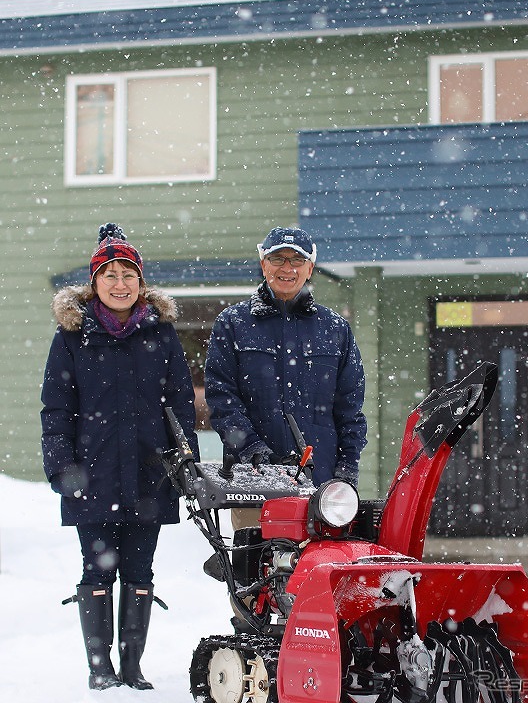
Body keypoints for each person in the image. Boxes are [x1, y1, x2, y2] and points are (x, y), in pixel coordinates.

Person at [40, 223, 199, 691]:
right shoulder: (71, 339)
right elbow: (56, 410)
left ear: (141, 283)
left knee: (139, 570)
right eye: (109, 274)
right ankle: (100, 667)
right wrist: (62, 467)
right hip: (91, 477)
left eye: (128, 274)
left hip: (150, 475)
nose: (120, 283)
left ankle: (132, 665)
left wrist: (180, 459)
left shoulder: (162, 335)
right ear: (94, 284)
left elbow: (180, 404)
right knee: (96, 571)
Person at [204, 225, 367, 504]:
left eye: (297, 260)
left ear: (310, 267)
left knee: (319, 550)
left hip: (321, 482)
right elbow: (222, 398)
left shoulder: (335, 329)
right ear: (263, 264)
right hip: (252, 481)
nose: (287, 268)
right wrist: (251, 449)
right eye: (278, 259)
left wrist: (348, 463)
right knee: (257, 549)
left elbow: (350, 406)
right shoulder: (233, 323)